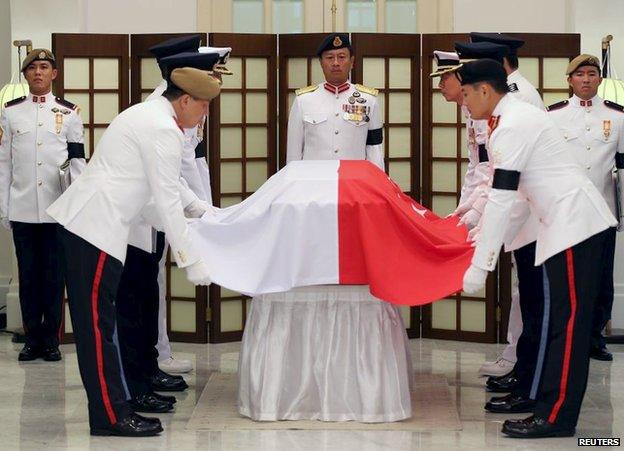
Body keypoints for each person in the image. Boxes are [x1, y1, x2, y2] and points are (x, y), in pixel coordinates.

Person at [46, 52, 219, 437]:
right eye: (204, 106)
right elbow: (166, 198)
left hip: (95, 229)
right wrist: (192, 261)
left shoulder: (149, 115)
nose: (204, 115)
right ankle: (111, 416)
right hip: (93, 230)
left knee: (101, 328)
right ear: (186, 100)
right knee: (97, 330)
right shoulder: (162, 129)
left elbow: (165, 192)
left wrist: (203, 212)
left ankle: (113, 410)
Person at [460, 58, 617, 438]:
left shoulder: (512, 124)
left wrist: (481, 266)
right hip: (562, 226)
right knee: (559, 323)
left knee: (567, 326)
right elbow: (514, 201)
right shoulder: (511, 117)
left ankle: (556, 417)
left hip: (573, 227)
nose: (463, 102)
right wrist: (478, 238)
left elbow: (502, 197)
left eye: (465, 93)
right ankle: (546, 406)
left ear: (485, 90)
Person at [0, 48, 86, 362]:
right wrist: (4, 207)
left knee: (53, 277)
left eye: (44, 67)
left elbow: (78, 164)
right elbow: (4, 164)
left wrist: (77, 205)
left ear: (54, 74)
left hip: (56, 210)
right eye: (33, 67)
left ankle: (50, 339)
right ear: (25, 75)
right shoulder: (10, 112)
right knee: (28, 277)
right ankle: (31, 338)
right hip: (22, 208)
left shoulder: (70, 113)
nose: (38, 72)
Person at [548, 54, 624, 362]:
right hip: (566, 210)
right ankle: (567, 335)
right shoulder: (553, 116)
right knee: (567, 277)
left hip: (602, 210)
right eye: (580, 75)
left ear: (600, 79)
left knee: (600, 277)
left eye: (592, 74)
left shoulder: (618, 117)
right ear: (569, 80)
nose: (586, 79)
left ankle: (594, 337)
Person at [286, 33, 383, 168]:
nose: (336, 63)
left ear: (352, 62)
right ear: (321, 63)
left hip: (353, 181)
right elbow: (293, 152)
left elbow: (375, 149)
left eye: (342, 57)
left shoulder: (368, 100)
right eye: (330, 57)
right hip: (314, 182)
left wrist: (376, 184)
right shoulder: (303, 100)